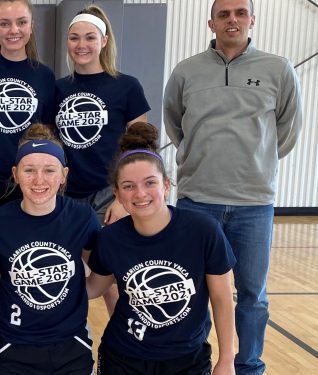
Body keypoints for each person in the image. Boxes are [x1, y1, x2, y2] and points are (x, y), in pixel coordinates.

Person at [163, 1, 302, 373]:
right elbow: (176, 126)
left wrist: (258, 162)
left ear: (252, 20)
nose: (232, 20)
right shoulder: (186, 72)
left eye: (240, 12)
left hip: (254, 203)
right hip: (197, 201)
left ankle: (249, 366)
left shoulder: (278, 69)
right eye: (224, 14)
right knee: (194, 292)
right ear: (211, 22)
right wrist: (200, 158)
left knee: (252, 296)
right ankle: (197, 363)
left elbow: (285, 132)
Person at [87, 122, 236, 375]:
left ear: (166, 186)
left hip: (187, 358)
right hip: (124, 357)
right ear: (117, 194)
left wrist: (227, 360)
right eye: (128, 186)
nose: (140, 193)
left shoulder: (203, 231)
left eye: (149, 183)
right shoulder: (111, 238)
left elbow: (222, 299)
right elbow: (93, 288)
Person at [0, 124, 100, 375]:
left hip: (71, 343)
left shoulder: (81, 217)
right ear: (15, 173)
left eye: (49, 170)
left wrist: (74, 295)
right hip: (15, 343)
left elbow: (101, 275)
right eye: (29, 170)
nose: (39, 180)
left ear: (64, 174)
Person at [56, 4, 151, 316]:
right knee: (68, 276)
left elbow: (142, 148)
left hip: (108, 195)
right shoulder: (58, 89)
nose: (81, 45)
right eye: (74, 38)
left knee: (116, 279)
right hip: (66, 196)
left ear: (104, 40)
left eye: (89, 37)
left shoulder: (127, 86)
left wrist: (124, 198)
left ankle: (124, 346)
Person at [0, 0, 55, 209]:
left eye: (21, 22)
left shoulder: (44, 76)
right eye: (4, 23)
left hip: (28, 182)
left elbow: (48, 130)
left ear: (31, 27)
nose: (13, 30)